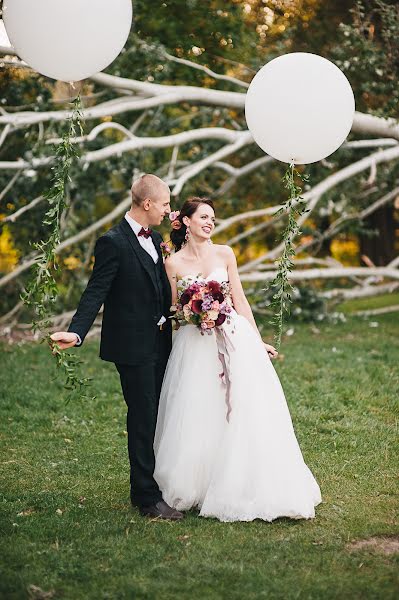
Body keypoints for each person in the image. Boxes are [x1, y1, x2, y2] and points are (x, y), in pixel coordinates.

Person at [154, 197, 322, 522]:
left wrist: (258, 342)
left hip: (233, 337)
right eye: (203, 216)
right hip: (194, 344)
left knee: (245, 406)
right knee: (198, 407)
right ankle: (197, 483)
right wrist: (191, 312)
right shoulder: (172, 264)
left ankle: (242, 480)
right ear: (185, 222)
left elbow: (240, 301)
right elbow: (172, 311)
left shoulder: (225, 253)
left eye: (213, 218)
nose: (210, 222)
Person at [50, 174, 184, 520]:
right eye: (166, 204)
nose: (169, 210)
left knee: (158, 412)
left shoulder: (155, 238)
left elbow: (161, 285)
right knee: (142, 416)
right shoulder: (112, 242)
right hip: (131, 346)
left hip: (160, 340)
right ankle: (146, 497)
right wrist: (76, 332)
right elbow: (96, 290)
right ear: (148, 203)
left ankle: (159, 481)